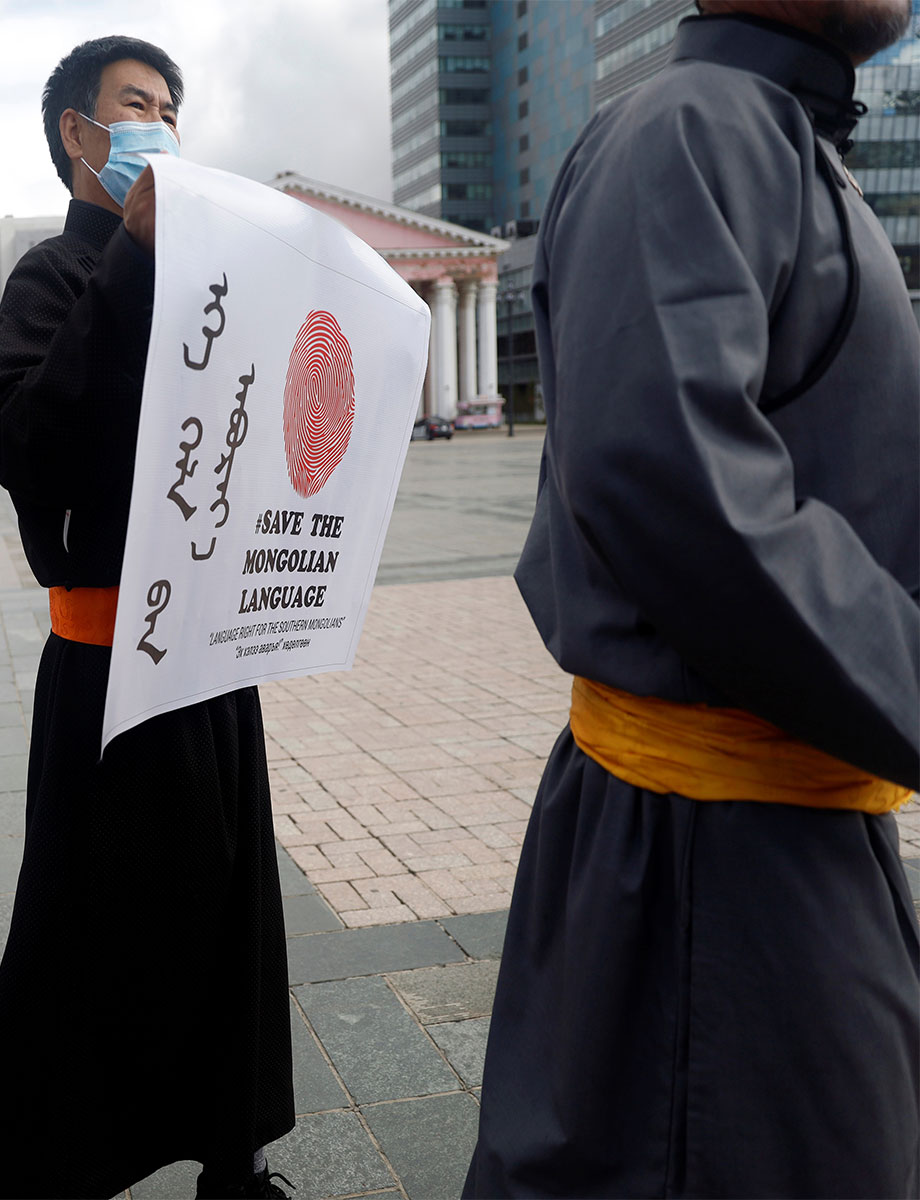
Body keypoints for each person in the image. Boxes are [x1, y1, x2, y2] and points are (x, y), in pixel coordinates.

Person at [464, 3, 919, 1196]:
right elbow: (680, 485)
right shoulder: (688, 126)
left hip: (777, 814)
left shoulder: (776, 136)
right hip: (706, 848)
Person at [0, 36, 294, 1200]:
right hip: (105, 662)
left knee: (231, 912)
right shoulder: (53, 277)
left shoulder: (210, 272)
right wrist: (129, 262)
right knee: (88, 926)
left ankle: (231, 1166)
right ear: (78, 137)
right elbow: (22, 444)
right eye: (137, 105)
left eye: (173, 108)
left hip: (211, 654)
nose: (162, 126)